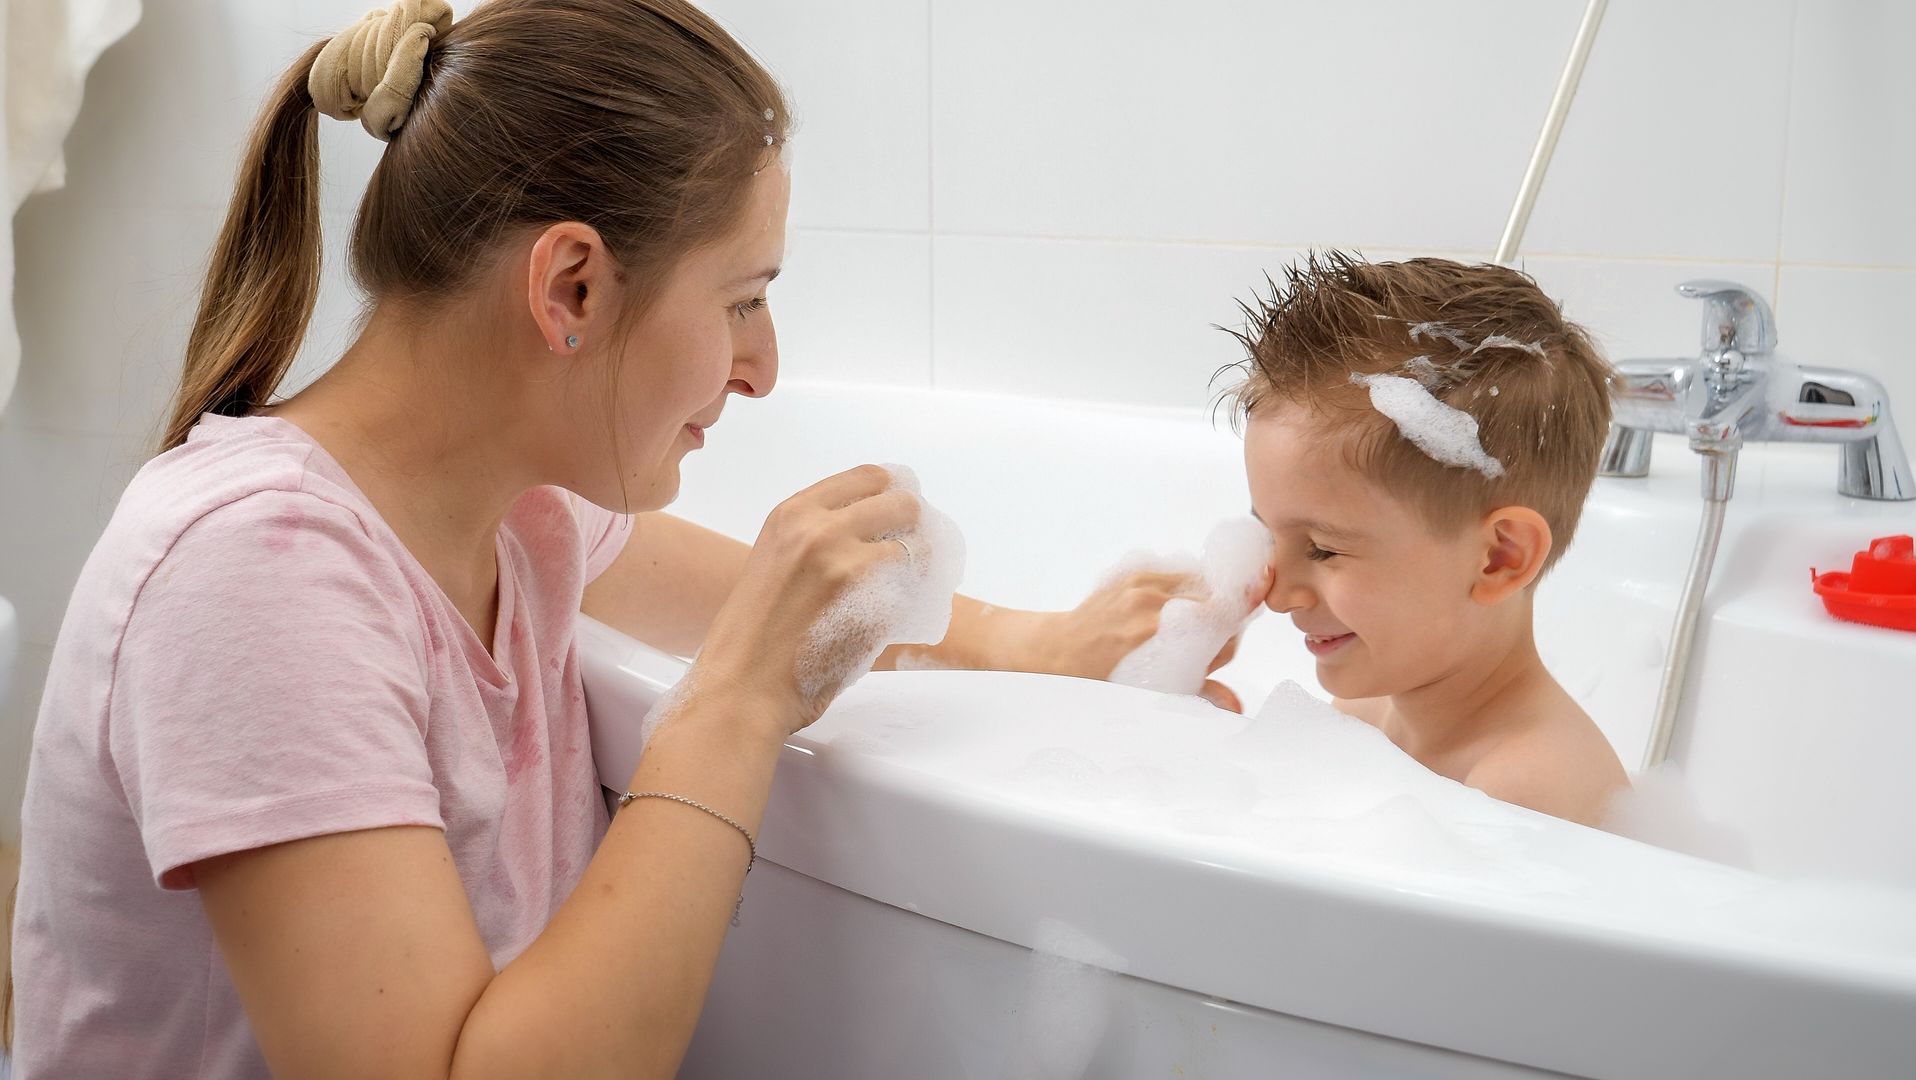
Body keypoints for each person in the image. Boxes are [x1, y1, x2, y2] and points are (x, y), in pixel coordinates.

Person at [3, 2, 1223, 1076]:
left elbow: (756, 600)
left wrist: (1044, 642)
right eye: (744, 298)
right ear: (572, 288)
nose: (764, 369)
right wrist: (732, 709)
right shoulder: (253, 573)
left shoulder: (518, 508)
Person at [1231, 251, 1630, 826]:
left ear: (1500, 558)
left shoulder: (1528, 790)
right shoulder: (1365, 709)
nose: (1276, 593)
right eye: (1268, 534)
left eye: (1322, 549)